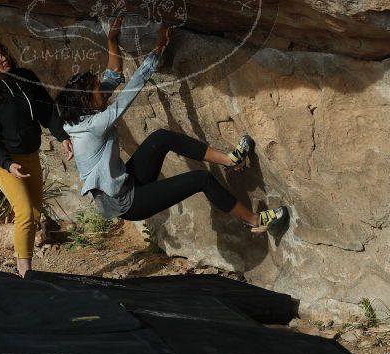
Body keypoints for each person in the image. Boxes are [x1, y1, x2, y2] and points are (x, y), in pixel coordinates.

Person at [55, 17, 287, 233]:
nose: (102, 90)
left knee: (161, 138)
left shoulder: (81, 113)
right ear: (86, 100)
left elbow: (113, 75)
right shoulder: (94, 125)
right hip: (128, 203)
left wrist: (111, 40)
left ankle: (231, 161)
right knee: (201, 180)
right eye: (97, 89)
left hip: (126, 183)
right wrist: (159, 47)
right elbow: (132, 89)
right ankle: (255, 221)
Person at [0, 38, 73, 277]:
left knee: (34, 213)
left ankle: (21, 256)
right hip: (5, 162)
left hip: (31, 156)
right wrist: (6, 162)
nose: (4, 58)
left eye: (3, 52)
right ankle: (25, 272)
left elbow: (47, 109)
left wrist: (61, 134)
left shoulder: (26, 78)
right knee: (24, 211)